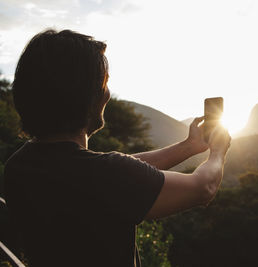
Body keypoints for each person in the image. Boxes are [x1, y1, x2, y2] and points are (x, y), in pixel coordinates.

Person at [4, 29, 231, 267]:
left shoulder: (19, 166)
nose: (108, 93)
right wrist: (218, 151)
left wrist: (188, 147)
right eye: (104, 83)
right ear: (86, 95)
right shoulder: (105, 175)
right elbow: (203, 187)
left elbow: (111, 174)